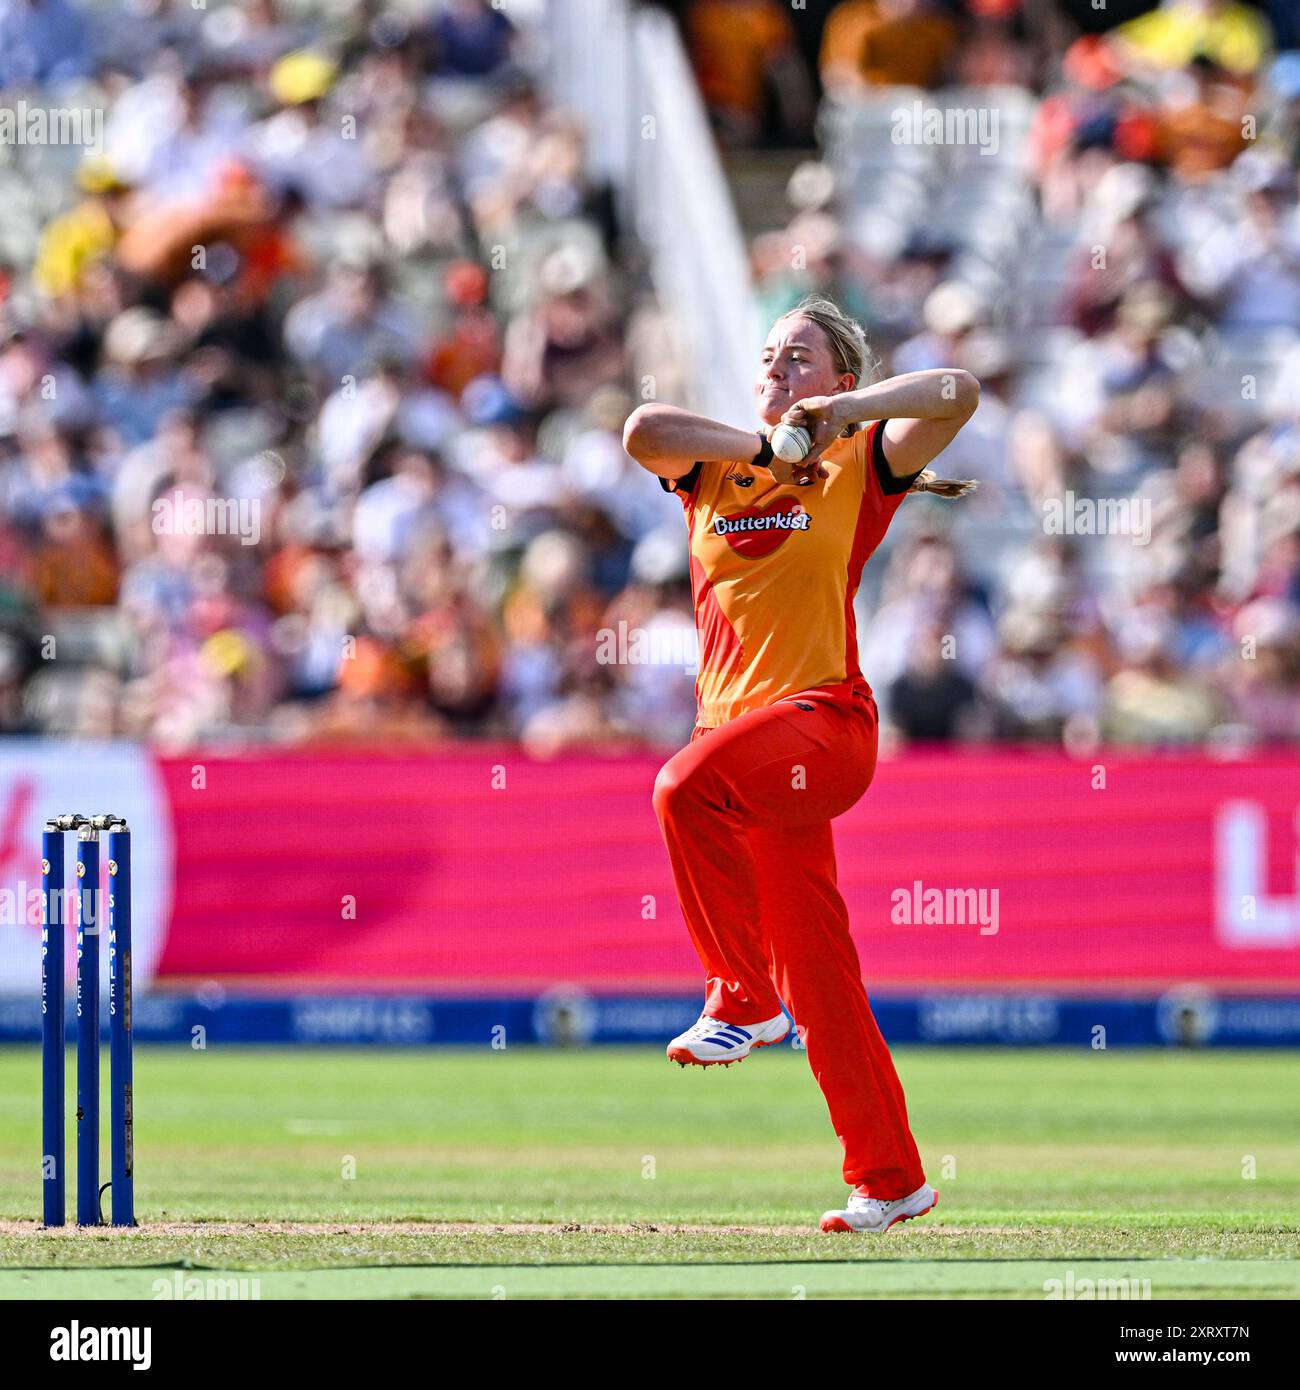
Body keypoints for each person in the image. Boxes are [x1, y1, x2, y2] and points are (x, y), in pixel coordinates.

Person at [622, 294, 979, 1234]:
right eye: (771, 355)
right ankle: (892, 1179)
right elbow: (639, 428)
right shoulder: (712, 469)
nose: (779, 368)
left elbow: (958, 391)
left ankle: (740, 996)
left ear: (839, 380)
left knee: (678, 788)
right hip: (745, 753)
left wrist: (839, 423)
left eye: (801, 358)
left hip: (822, 724)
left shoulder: (861, 459)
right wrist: (762, 445)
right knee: (821, 976)